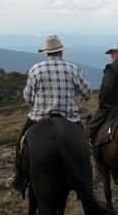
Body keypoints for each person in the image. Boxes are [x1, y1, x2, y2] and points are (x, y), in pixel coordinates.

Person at [10, 35, 91, 194]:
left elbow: (28, 97)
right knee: (85, 145)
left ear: (46, 52)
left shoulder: (35, 69)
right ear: (61, 51)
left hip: (39, 117)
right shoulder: (73, 68)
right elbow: (87, 92)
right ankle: (86, 177)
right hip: (69, 117)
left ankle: (20, 178)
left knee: (20, 143)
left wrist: (36, 102)